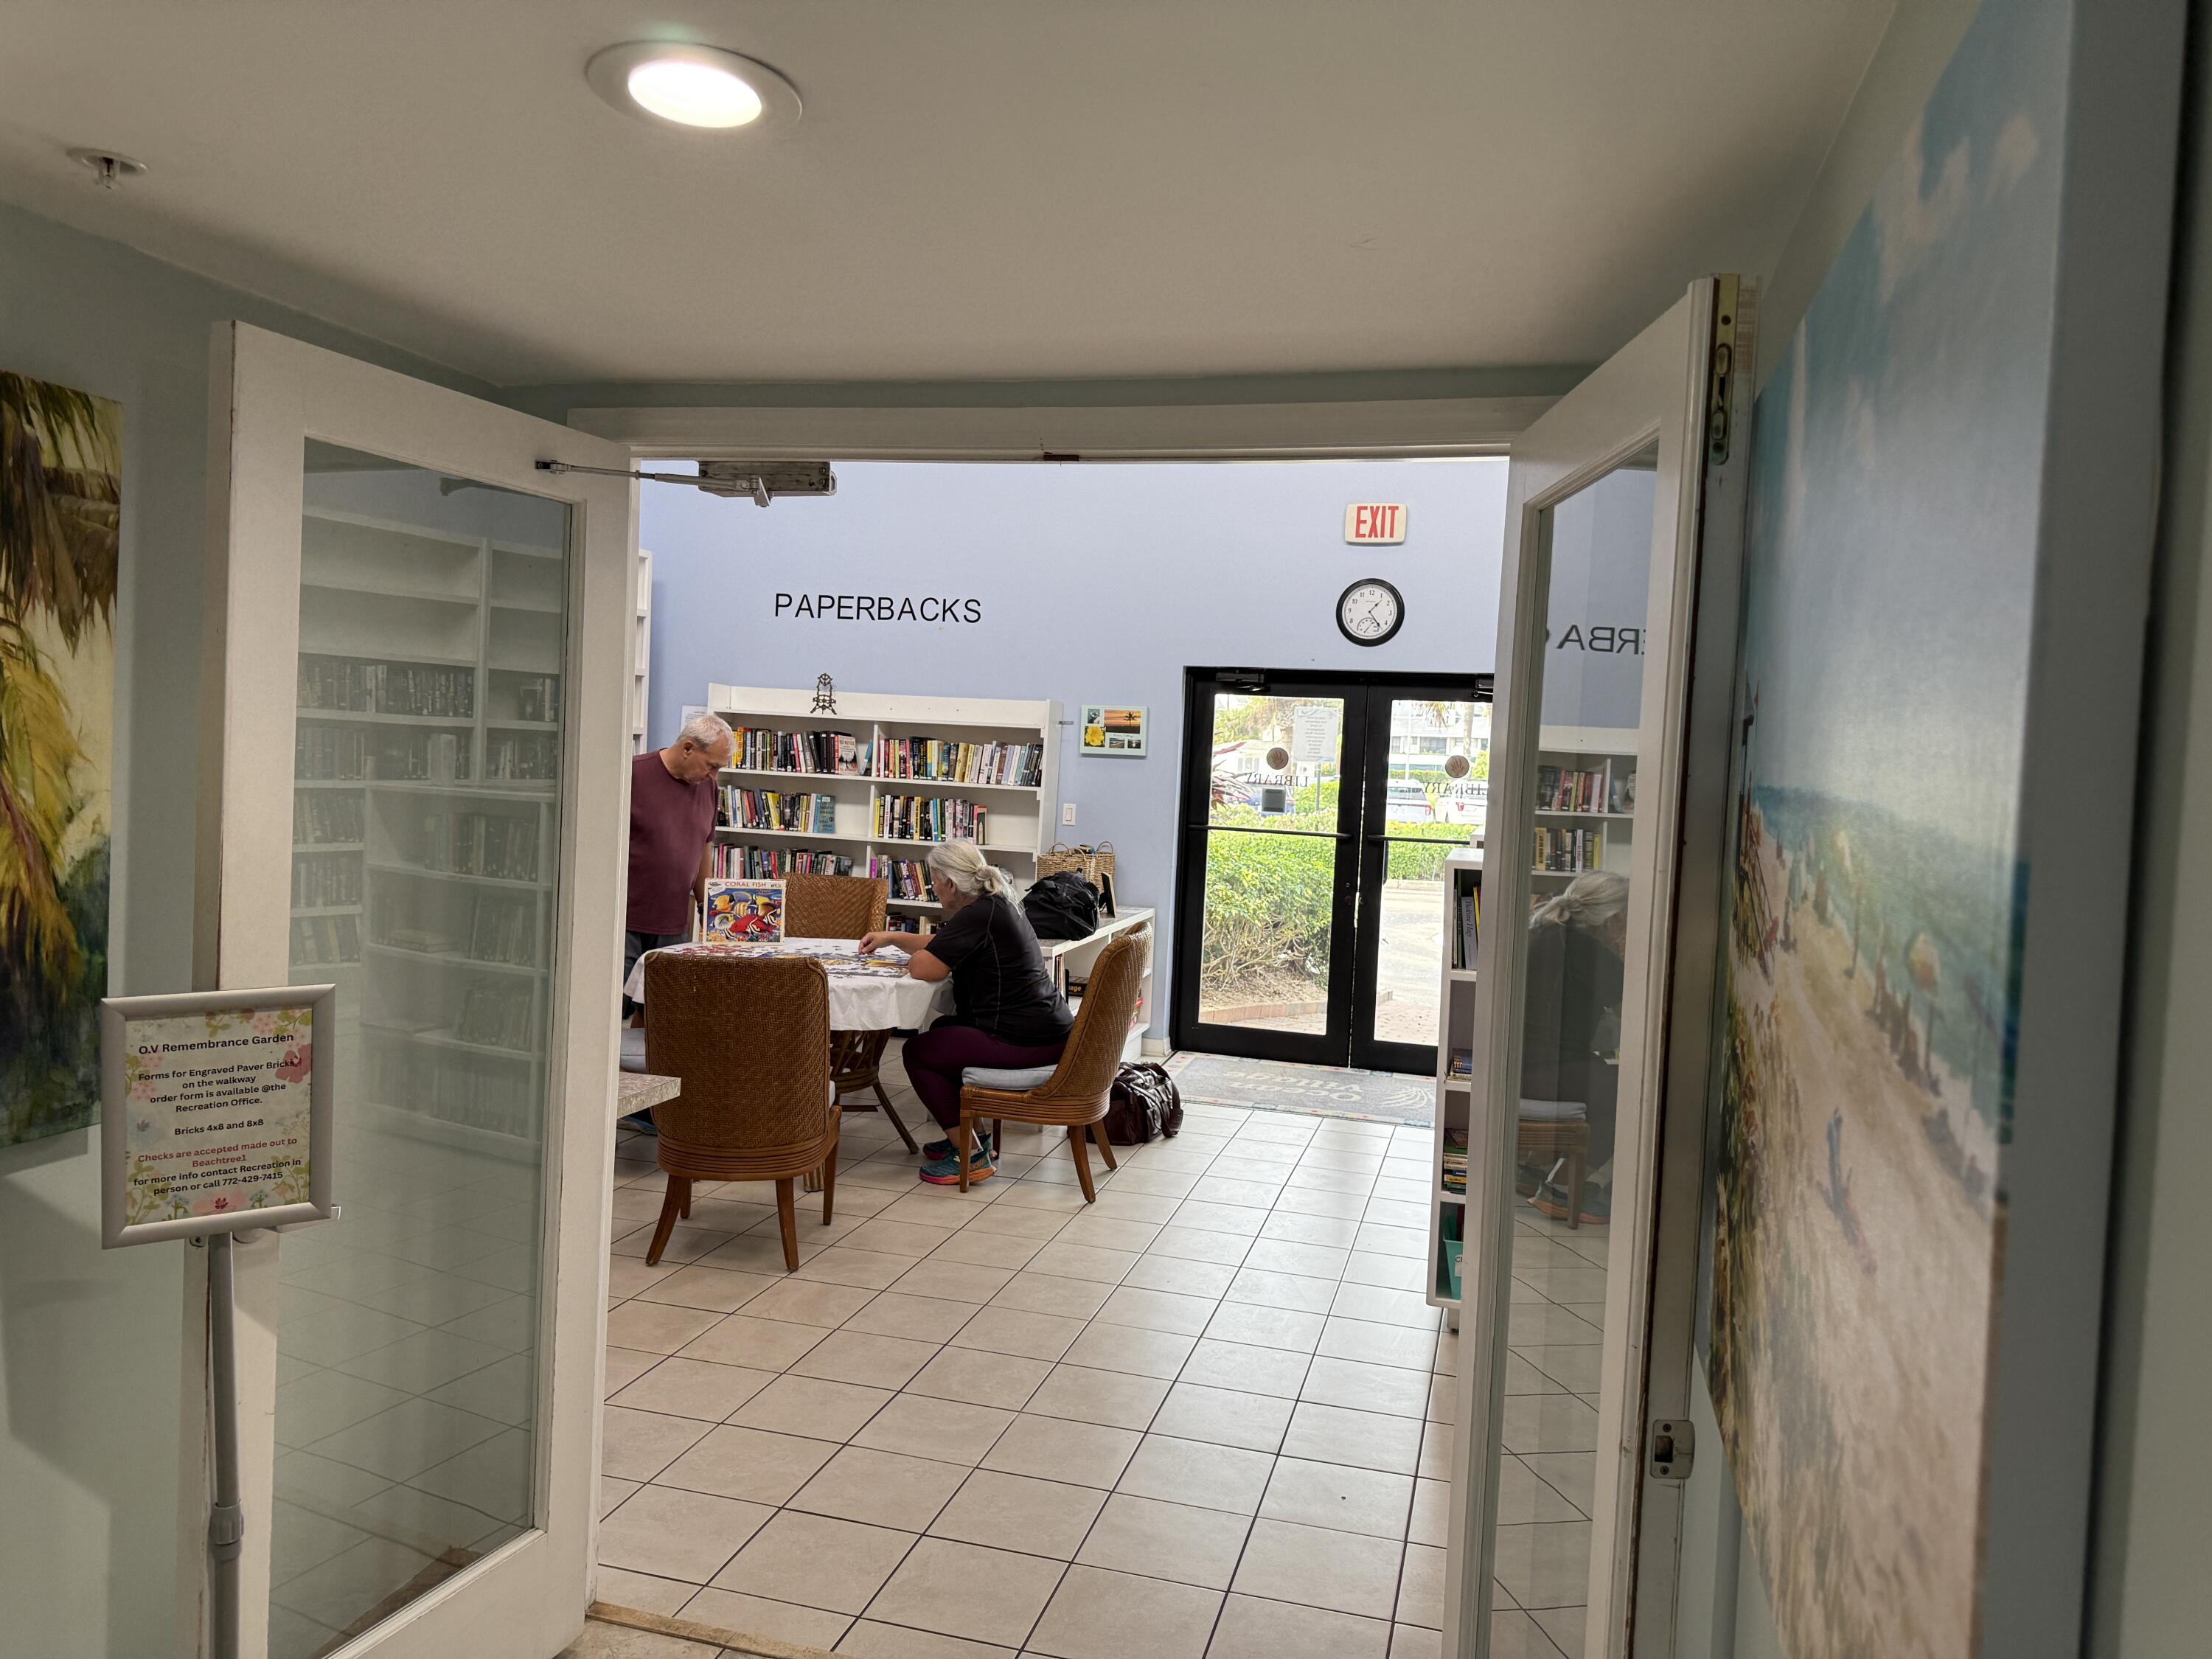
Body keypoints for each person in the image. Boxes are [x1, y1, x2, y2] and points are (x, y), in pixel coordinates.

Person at [858, 840, 1074, 1185]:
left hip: (1026, 1041)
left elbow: (927, 968)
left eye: (934, 881)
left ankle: (971, 1156)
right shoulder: (995, 903)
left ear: (951, 884)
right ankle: (973, 1140)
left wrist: (910, 958)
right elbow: (947, 943)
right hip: (1045, 1031)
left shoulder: (979, 914)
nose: (933, 888)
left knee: (918, 1053)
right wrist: (892, 938)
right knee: (944, 1028)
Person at [622, 713, 735, 1129]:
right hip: (625, 919)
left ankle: (646, 1105)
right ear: (688, 748)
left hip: (673, 922)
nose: (714, 773)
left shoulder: (708, 786)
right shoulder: (631, 775)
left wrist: (715, 911)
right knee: (608, 1011)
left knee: (659, 1015)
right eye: (712, 764)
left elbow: (702, 849)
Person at [1520, 871, 1628, 1224]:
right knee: (1632, 1094)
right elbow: (1643, 1025)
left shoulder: (1540, 930)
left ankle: (1532, 1169)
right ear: (1614, 920)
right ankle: (1562, 1188)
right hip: (1546, 1075)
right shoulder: (1597, 957)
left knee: (1595, 1071)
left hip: (1512, 1069)